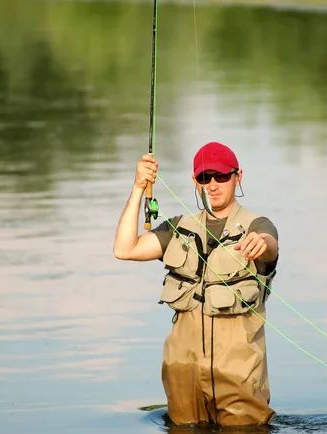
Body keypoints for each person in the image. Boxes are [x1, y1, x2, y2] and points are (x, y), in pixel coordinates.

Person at [113, 141, 279, 427]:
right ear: (195, 181)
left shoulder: (257, 226)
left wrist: (261, 244)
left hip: (239, 377)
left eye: (221, 176)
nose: (212, 185)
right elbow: (124, 249)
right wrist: (139, 187)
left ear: (238, 177)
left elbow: (270, 246)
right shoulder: (178, 228)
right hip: (182, 373)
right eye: (204, 178)